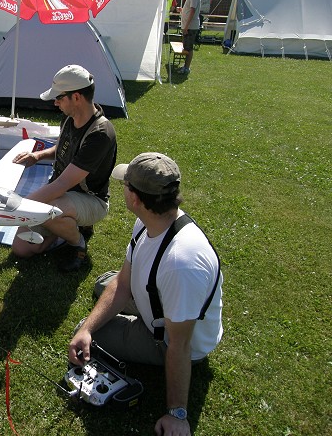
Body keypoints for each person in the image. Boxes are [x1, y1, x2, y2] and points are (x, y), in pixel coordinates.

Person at [68, 152, 223, 436]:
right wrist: (92, 325)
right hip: (160, 301)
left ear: (136, 199)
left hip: (171, 337)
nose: (122, 189)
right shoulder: (149, 221)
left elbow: (180, 345)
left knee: (85, 333)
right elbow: (123, 283)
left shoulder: (181, 264)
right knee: (105, 285)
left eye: (125, 185)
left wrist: (177, 414)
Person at [12, 65, 117, 272]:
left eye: (59, 98)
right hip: (63, 195)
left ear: (76, 97)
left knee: (47, 207)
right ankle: (68, 227)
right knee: (22, 248)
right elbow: (62, 147)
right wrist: (38, 155)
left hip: (91, 199)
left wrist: (19, 206)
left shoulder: (100, 134)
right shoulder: (70, 117)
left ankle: (77, 243)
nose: (56, 102)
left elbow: (62, 184)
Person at [178, 0, 201, 75]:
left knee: (188, 48)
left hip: (190, 27)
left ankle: (186, 68)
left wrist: (186, 27)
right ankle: (185, 66)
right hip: (189, 26)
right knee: (186, 47)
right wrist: (182, 10)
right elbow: (189, 11)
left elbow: (192, 11)